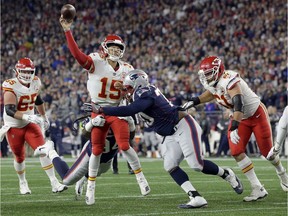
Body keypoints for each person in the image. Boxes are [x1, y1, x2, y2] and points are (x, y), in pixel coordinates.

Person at [84, 69, 243, 208]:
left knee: (196, 164)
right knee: (170, 165)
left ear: (138, 84)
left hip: (183, 125)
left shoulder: (145, 92)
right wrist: (124, 88)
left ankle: (227, 174)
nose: (128, 91)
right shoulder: (140, 93)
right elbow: (133, 102)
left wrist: (102, 109)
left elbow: (132, 108)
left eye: (129, 88)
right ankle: (195, 196)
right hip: (170, 133)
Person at [59, 17, 150, 205]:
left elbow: (132, 92)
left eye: (119, 48)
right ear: (105, 48)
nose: (115, 51)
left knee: (124, 145)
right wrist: (68, 31)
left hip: (117, 110)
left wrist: (132, 105)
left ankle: (141, 178)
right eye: (112, 47)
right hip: (97, 109)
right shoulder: (96, 61)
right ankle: (90, 187)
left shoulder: (128, 68)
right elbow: (77, 55)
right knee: (97, 150)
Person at [182, 56, 288, 200]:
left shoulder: (228, 79)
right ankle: (258, 188)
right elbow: (212, 93)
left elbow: (239, 104)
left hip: (256, 114)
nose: (206, 77)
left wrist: (234, 127)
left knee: (268, 153)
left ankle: (282, 174)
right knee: (236, 151)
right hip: (240, 117)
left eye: (208, 73)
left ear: (218, 70)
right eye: (204, 74)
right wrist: (194, 101)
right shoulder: (214, 82)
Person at [0, 57, 67, 194]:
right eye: (24, 71)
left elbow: (38, 100)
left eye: (30, 72)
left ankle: (54, 183)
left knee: (43, 149)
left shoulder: (36, 81)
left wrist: (44, 116)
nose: (27, 74)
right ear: (17, 71)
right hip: (14, 126)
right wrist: (27, 116)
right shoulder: (11, 84)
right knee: (19, 157)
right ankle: (22, 182)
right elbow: (9, 109)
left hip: (30, 123)